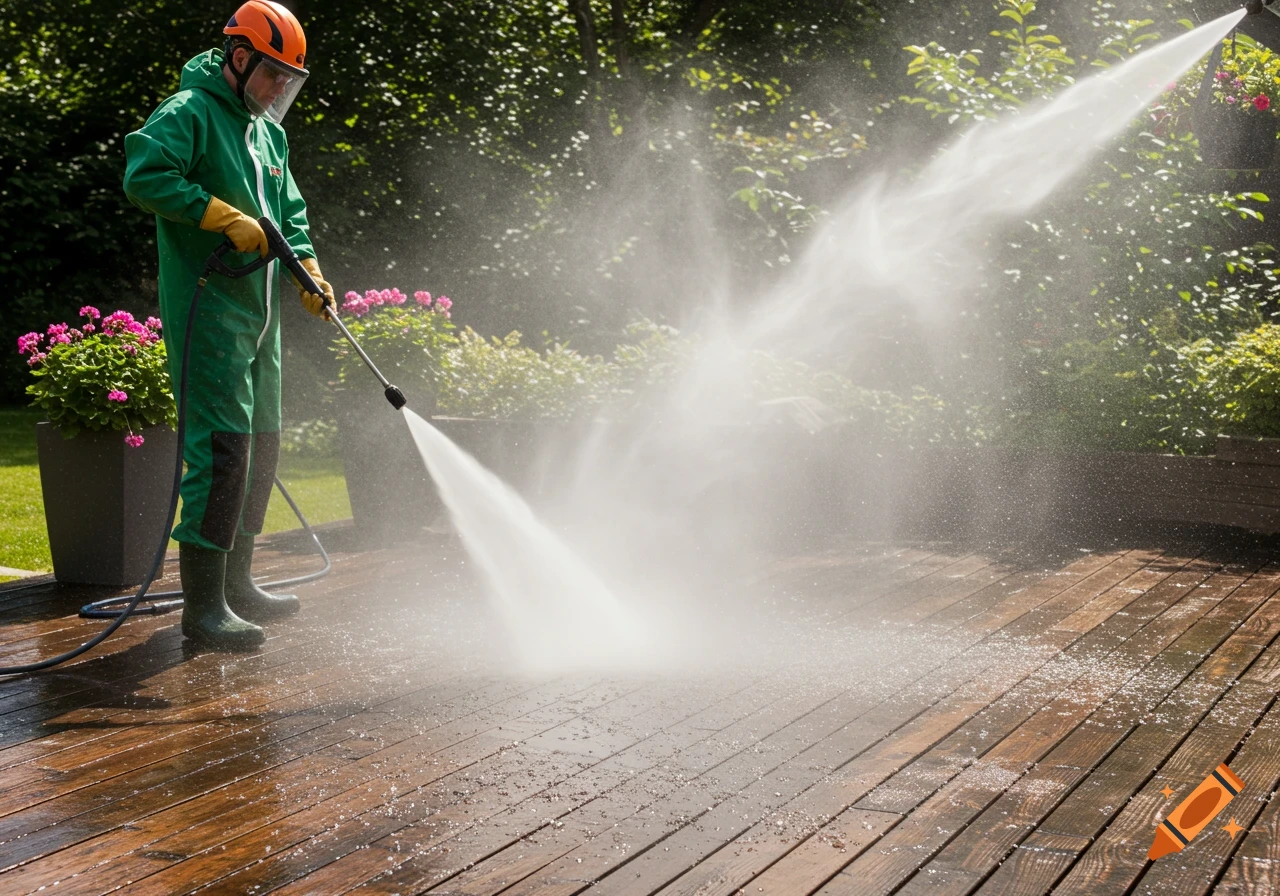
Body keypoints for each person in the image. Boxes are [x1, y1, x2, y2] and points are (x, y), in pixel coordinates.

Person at [123, 1, 335, 650]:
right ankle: (204, 606)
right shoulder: (188, 113)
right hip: (210, 313)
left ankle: (238, 585)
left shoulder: (269, 134)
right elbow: (145, 174)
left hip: (262, 321)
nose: (279, 89)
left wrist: (310, 269)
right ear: (239, 58)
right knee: (221, 456)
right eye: (273, 74)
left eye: (288, 80)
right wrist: (218, 214)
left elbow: (289, 213)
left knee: (261, 449)